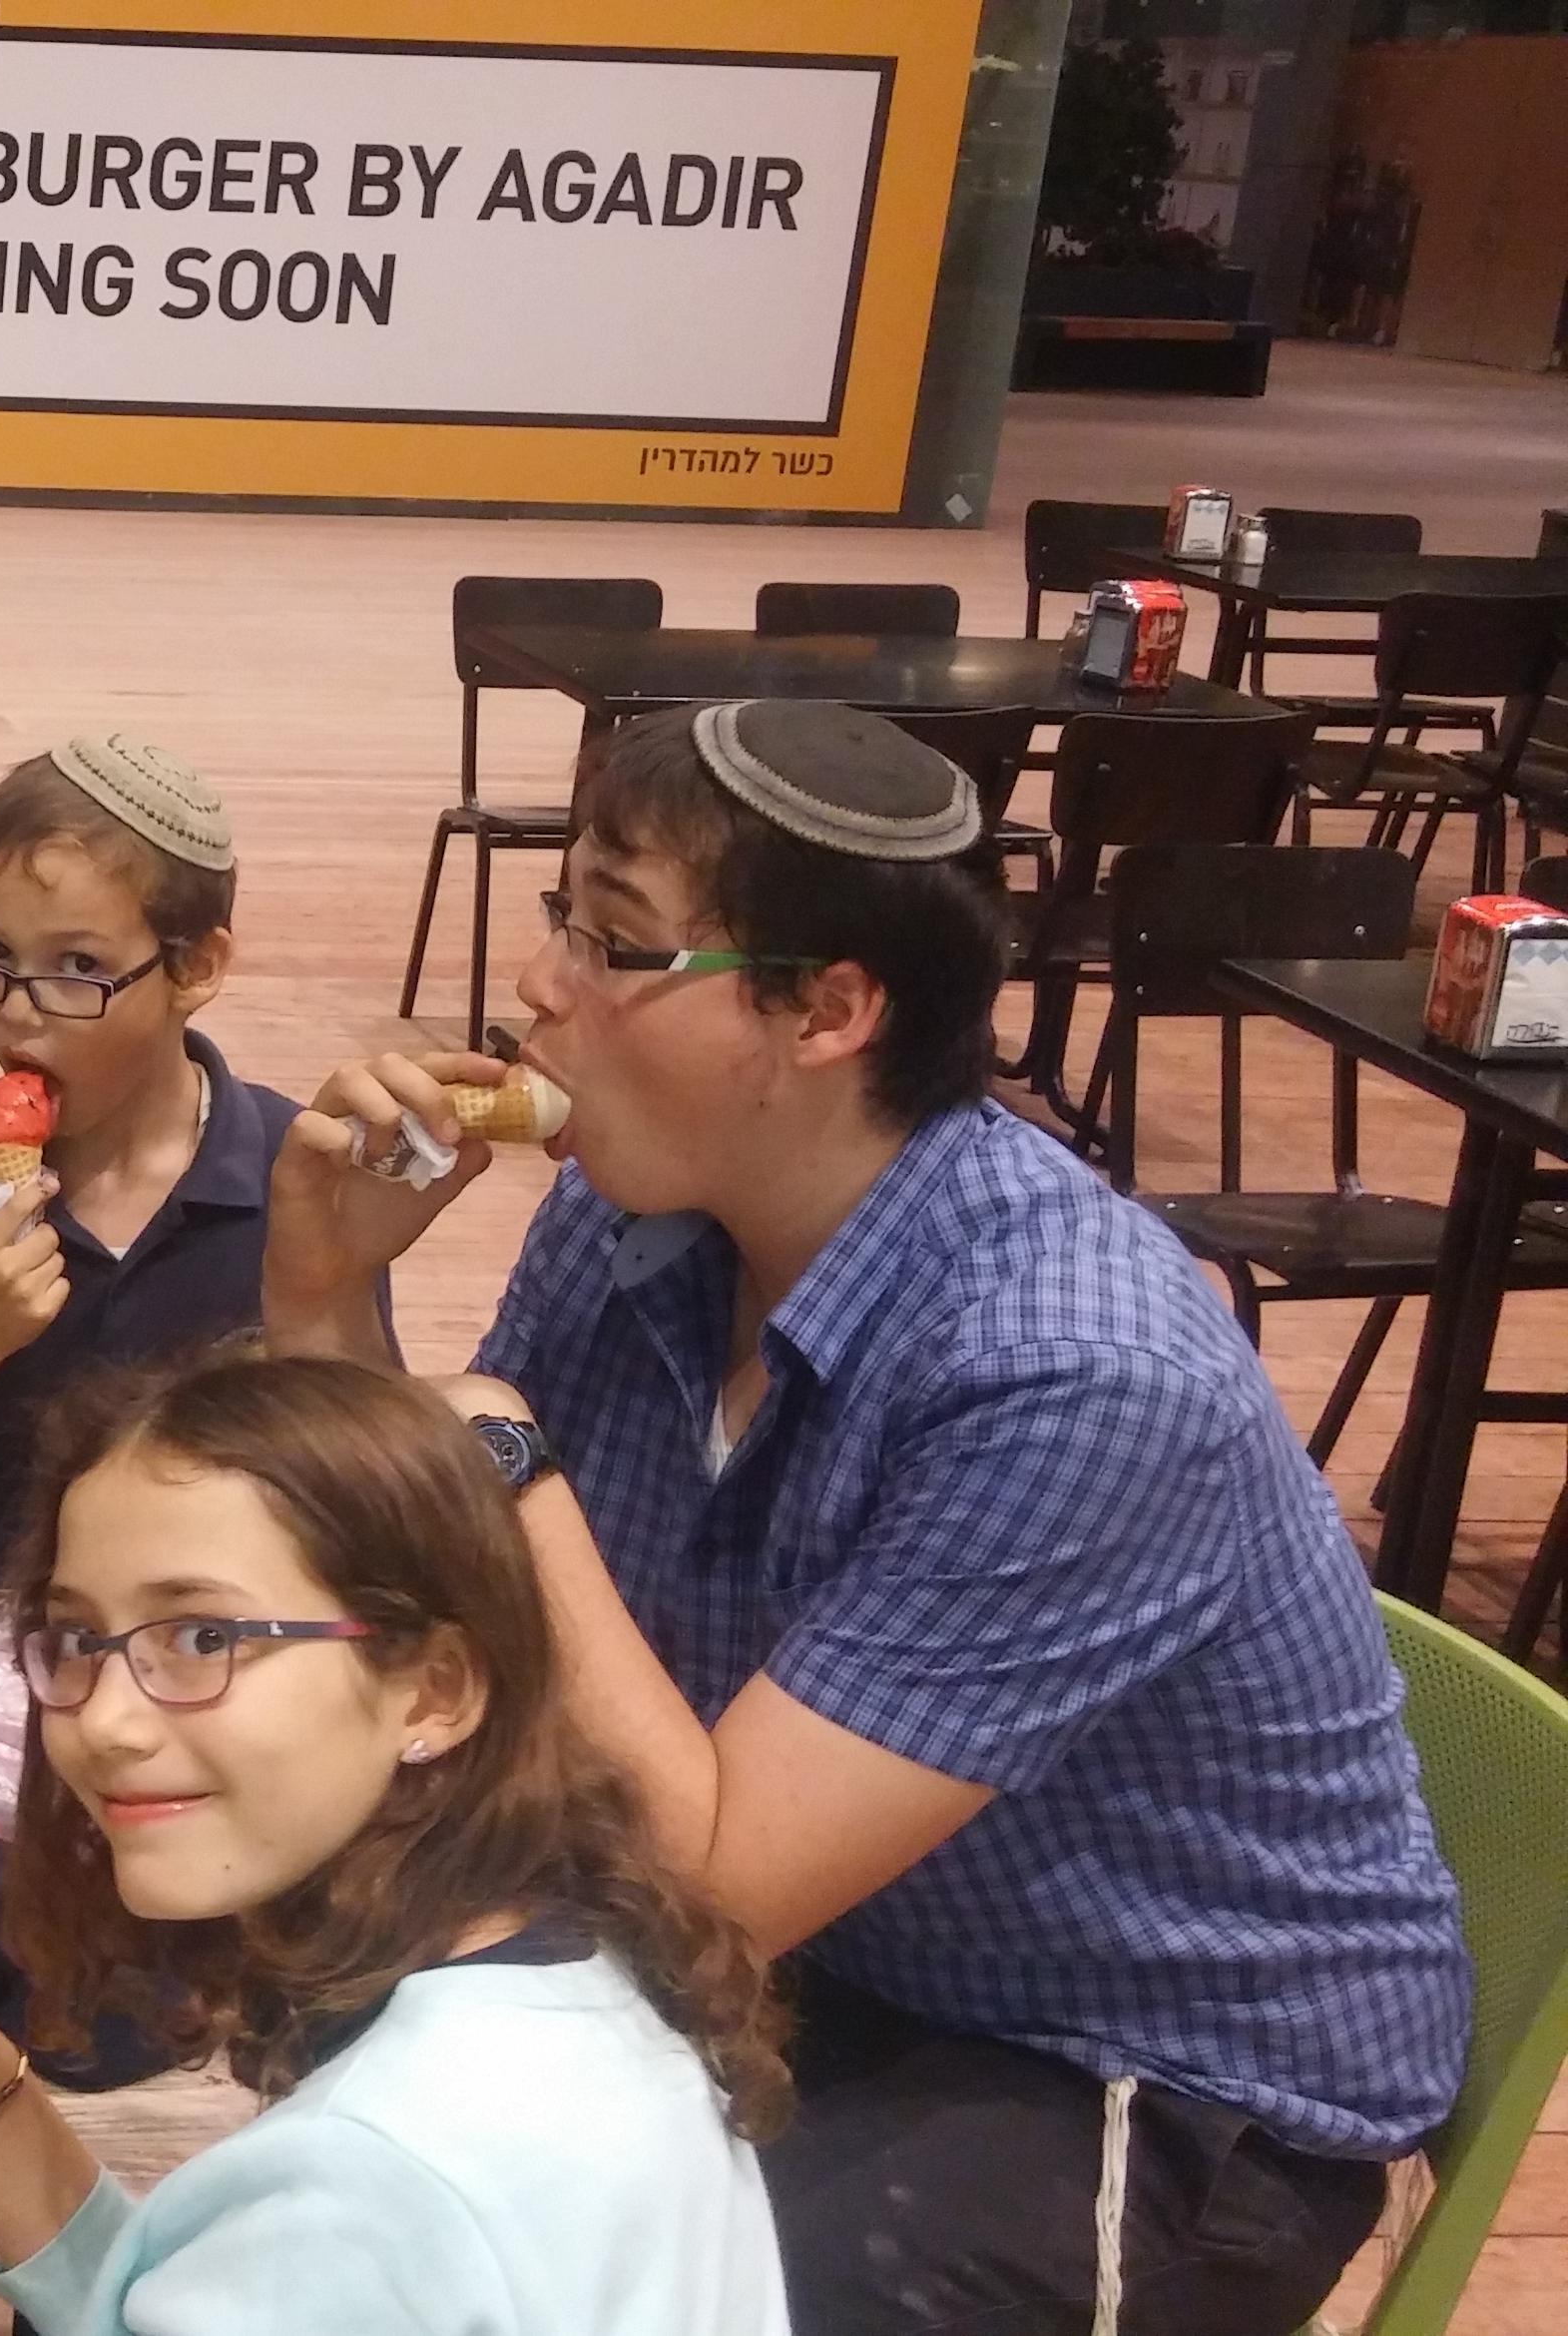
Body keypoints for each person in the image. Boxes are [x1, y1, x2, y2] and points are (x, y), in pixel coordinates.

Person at [264, 699, 1468, 2333]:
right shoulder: (637, 1214)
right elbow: (447, 1612)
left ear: (826, 1010)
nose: (539, 984)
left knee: (631, 2288)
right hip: (832, 1961)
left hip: (1149, 2078)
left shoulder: (1074, 1368)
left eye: (614, 942)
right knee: (346, 2116)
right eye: (561, 917)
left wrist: (496, 1452)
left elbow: (717, 1884)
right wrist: (326, 1296)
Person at [0, 1353, 791, 2333]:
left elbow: (331, 2247)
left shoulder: (379, 2173)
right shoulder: (579, 1981)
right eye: (74, 1640)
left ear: (434, 1687)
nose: (102, 1720)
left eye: (202, 1637)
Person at [0, 735, 332, 1591]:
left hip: (204, 1633)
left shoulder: (293, 1173)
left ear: (195, 968)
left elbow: (363, 1473)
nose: (16, 1014)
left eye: (78, 966)